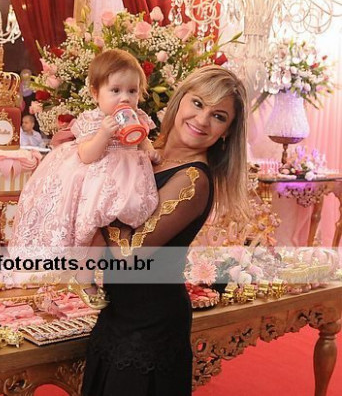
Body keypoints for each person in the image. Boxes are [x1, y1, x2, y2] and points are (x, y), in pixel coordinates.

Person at [81, 65, 249, 395]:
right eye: (197, 103)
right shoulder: (142, 147)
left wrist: (92, 199)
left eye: (218, 116)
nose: (202, 120)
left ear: (226, 132)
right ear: (179, 100)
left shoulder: (193, 179)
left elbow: (128, 253)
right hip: (116, 314)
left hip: (150, 329)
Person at [10, 50, 160, 299]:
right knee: (93, 233)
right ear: (95, 93)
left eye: (132, 91)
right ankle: (83, 278)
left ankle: (114, 279)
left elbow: (143, 142)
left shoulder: (138, 118)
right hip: (96, 181)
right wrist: (104, 134)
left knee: (119, 233)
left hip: (127, 180)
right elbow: (87, 155)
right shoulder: (93, 120)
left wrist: (151, 152)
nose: (125, 97)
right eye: (115, 90)